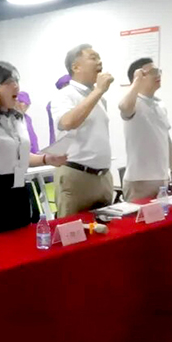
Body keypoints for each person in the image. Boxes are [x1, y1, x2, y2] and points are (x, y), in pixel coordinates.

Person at [0, 62, 67, 237]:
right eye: (8, 82)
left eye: (16, 81)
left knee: (20, 243)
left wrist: (46, 159)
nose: (16, 87)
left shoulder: (17, 118)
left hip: (18, 189)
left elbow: (21, 156)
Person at [50, 44, 114, 217]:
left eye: (99, 58)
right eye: (93, 58)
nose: (99, 62)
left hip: (103, 177)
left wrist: (98, 93)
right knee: (72, 230)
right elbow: (68, 122)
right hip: (76, 176)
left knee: (104, 230)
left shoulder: (99, 98)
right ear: (76, 67)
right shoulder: (64, 95)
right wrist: (99, 90)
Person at [119, 58, 172, 201]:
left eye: (158, 71)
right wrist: (136, 82)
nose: (158, 74)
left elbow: (166, 139)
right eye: (152, 72)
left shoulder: (160, 104)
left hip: (162, 178)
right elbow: (123, 107)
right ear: (138, 76)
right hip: (139, 181)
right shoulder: (134, 102)